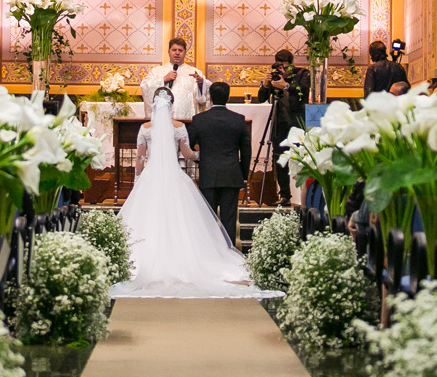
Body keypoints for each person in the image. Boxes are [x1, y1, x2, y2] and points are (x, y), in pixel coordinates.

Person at [109, 87, 281, 299]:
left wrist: (137, 179)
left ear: (153, 103)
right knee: (181, 217)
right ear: (171, 105)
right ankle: (193, 255)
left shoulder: (145, 128)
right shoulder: (179, 127)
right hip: (175, 176)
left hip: (150, 178)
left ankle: (145, 258)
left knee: (149, 215)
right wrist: (205, 155)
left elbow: (140, 158)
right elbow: (188, 154)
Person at [188, 81, 251, 242]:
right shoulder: (238, 120)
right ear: (228, 97)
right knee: (229, 219)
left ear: (210, 97)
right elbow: (246, 151)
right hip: (231, 175)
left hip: (208, 174)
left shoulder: (199, 120)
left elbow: (188, 145)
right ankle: (228, 251)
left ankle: (209, 251)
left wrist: (202, 161)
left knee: (207, 218)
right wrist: (243, 175)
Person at [256, 49, 310, 207]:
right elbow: (261, 99)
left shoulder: (302, 74)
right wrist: (266, 85)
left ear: (292, 64)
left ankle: (305, 195)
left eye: (285, 67)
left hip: (298, 121)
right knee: (280, 159)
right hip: (280, 122)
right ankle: (285, 195)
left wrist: (285, 86)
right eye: (279, 67)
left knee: (302, 158)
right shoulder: (275, 77)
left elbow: (303, 93)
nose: (282, 71)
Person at [139, 37, 209, 121]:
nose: (177, 53)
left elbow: (202, 99)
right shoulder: (156, 71)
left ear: (185, 52)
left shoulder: (195, 73)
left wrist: (200, 83)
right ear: (168, 52)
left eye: (180, 50)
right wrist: (163, 79)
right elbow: (145, 86)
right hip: (163, 120)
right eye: (174, 50)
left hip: (186, 119)